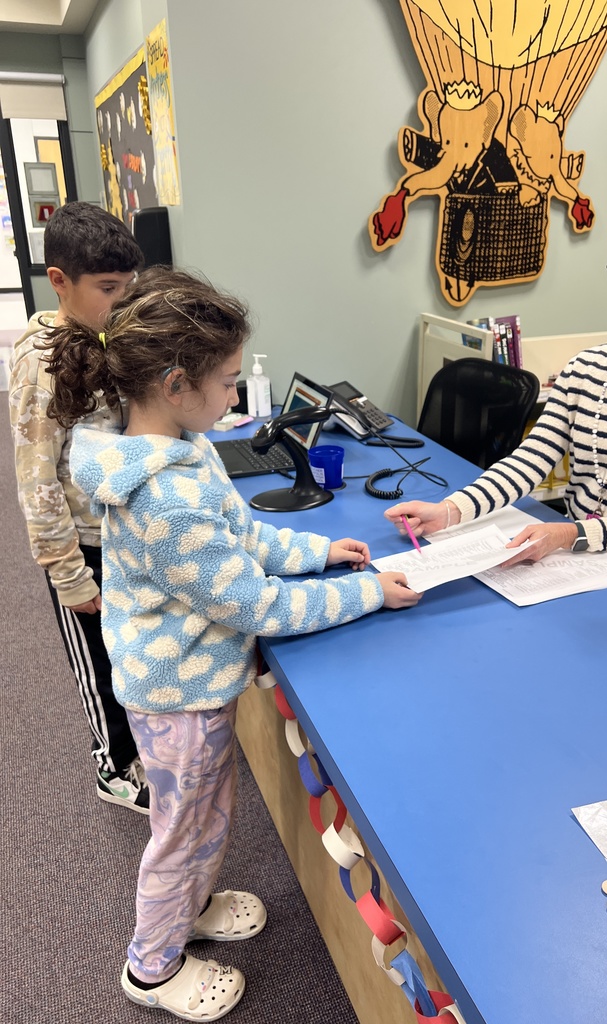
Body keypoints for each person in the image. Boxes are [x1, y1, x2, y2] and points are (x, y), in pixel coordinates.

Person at [43, 266, 421, 1021]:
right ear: (176, 384)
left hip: (190, 681)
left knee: (205, 817)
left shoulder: (182, 445)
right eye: (225, 382)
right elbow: (256, 603)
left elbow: (242, 536)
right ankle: (152, 966)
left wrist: (317, 552)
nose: (234, 395)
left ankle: (192, 905)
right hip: (177, 697)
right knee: (182, 834)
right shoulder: (166, 496)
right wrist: (368, 592)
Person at [387, 197, 607, 580]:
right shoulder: (587, 365)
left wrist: (570, 534)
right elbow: (531, 459)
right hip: (581, 559)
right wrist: (450, 511)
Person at [8, 200, 149, 812]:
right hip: (81, 549)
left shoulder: (102, 335)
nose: (122, 300)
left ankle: (141, 745)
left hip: (120, 532)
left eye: (127, 286)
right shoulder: (40, 365)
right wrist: (68, 574)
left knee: (128, 651)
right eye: (109, 288)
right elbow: (36, 481)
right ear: (59, 281)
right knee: (97, 662)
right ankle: (112, 767)